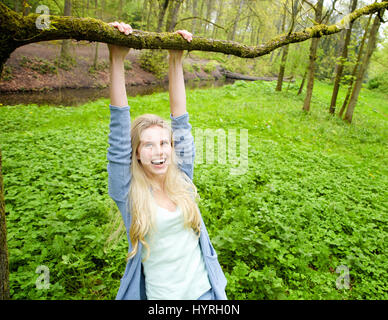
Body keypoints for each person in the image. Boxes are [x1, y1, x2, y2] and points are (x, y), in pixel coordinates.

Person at [106, 21, 227, 300]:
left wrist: (175, 59)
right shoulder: (127, 192)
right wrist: (117, 58)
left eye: (164, 143)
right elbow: (119, 132)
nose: (159, 152)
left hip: (206, 294)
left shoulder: (181, 178)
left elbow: (180, 119)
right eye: (148, 145)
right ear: (135, 152)